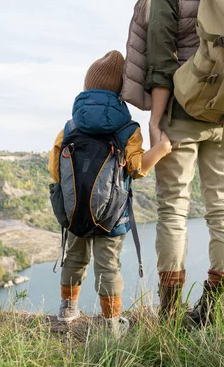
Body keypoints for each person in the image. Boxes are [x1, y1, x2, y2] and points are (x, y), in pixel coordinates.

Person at [122, 0, 224, 323]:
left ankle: (170, 315)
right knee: (221, 206)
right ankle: (213, 311)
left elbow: (160, 67)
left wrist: (155, 123)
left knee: (174, 209)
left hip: (182, 114)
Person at [48, 50, 171, 335]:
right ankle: (111, 323)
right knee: (108, 268)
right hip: (112, 218)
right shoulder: (128, 128)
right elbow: (138, 168)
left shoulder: (69, 127)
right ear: (120, 91)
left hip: (75, 212)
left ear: (86, 87)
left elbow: (55, 170)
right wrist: (162, 149)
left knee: (74, 259)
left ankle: (67, 310)